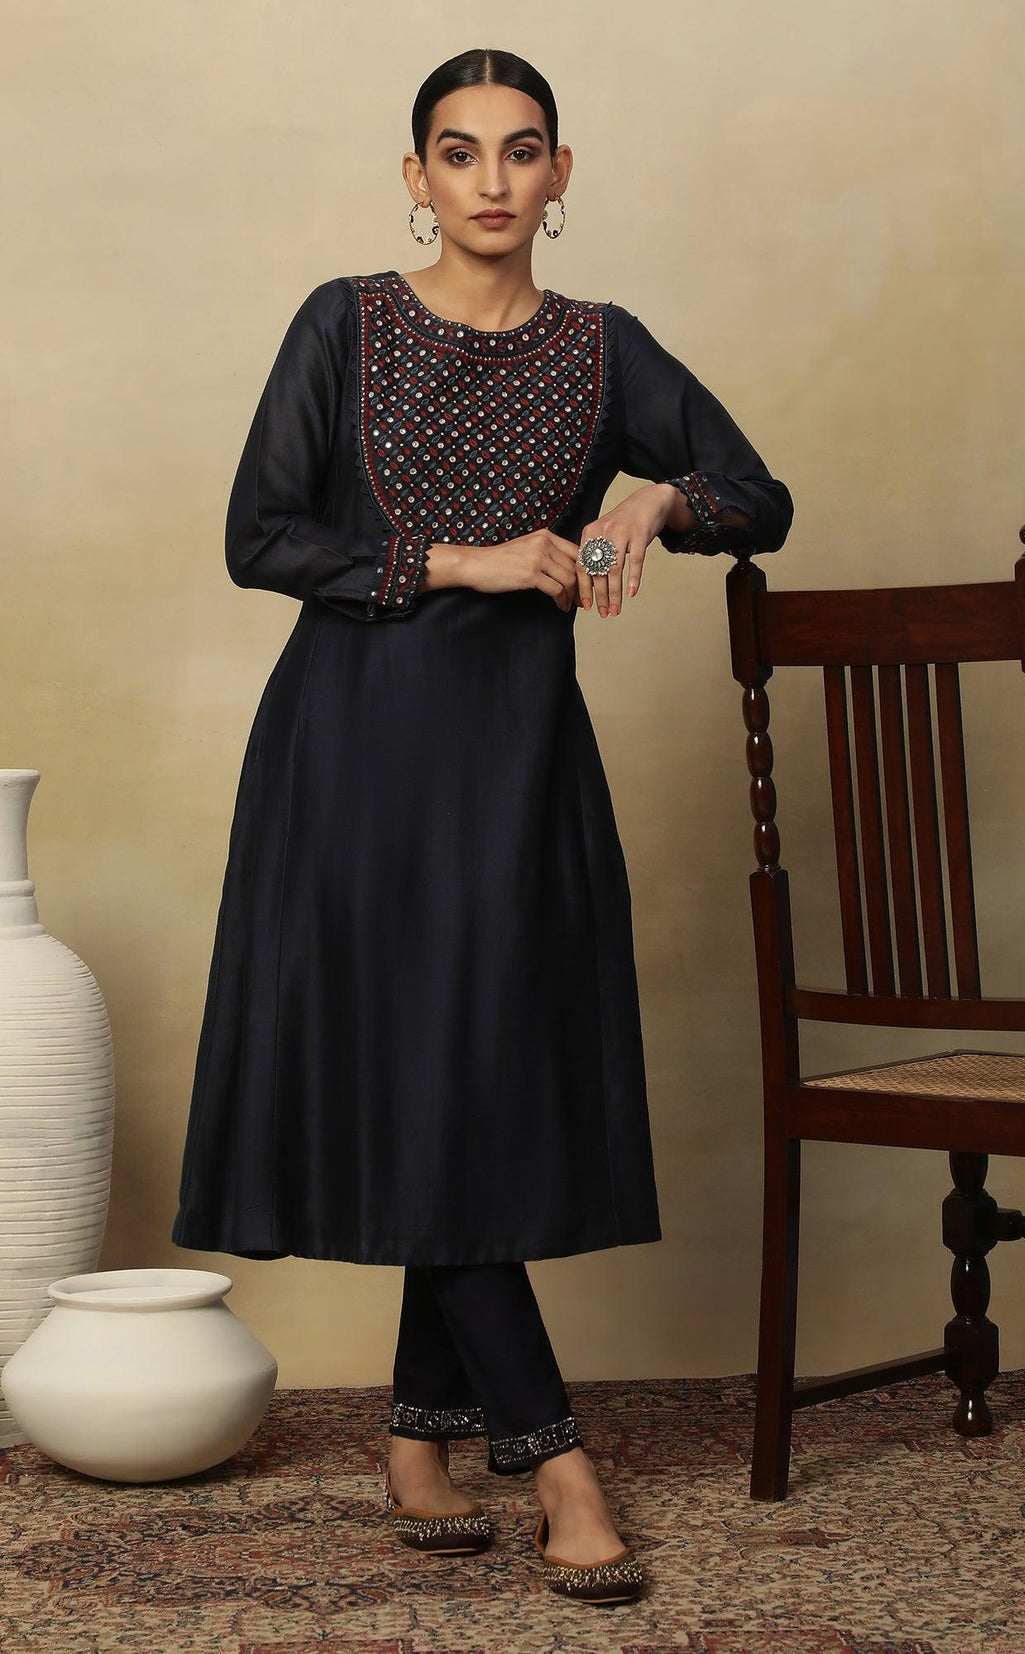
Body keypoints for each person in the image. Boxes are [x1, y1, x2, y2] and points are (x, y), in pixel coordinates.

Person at [170, 45, 793, 1605]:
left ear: (560, 174)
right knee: (421, 1068)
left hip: (514, 761)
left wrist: (654, 501)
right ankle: (558, 1457)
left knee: (463, 1073)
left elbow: (759, 493)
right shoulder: (345, 322)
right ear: (417, 176)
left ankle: (416, 1434)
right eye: (460, 152)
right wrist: (469, 559)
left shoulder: (602, 348)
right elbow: (260, 533)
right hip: (354, 757)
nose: (493, 180)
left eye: (522, 151)